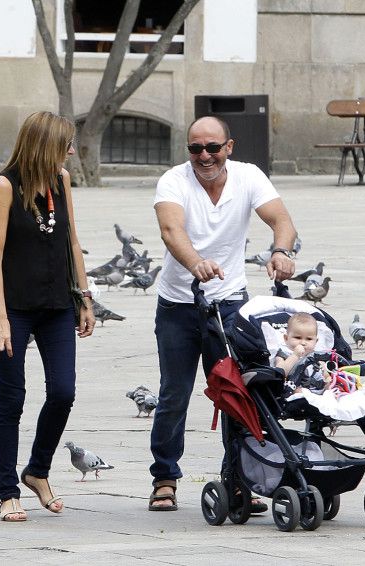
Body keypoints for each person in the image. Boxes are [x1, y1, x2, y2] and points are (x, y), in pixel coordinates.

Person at [146, 115, 297, 512]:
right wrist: (195, 262)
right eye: (196, 149)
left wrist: (280, 250)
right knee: (174, 392)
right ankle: (164, 477)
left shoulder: (249, 177)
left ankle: (238, 479)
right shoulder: (174, 181)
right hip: (179, 303)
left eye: (213, 148)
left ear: (229, 147)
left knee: (237, 393)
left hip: (230, 303)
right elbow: (170, 230)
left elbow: (281, 219)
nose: (205, 156)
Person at [0, 111, 96, 522]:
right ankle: (7, 491)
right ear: (44, 145)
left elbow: (72, 241)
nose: (70, 151)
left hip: (56, 305)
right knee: (11, 400)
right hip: (12, 308)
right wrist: (0, 317)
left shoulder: (61, 180)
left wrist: (85, 297)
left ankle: (38, 470)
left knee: (63, 392)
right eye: (65, 144)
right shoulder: (3, 186)